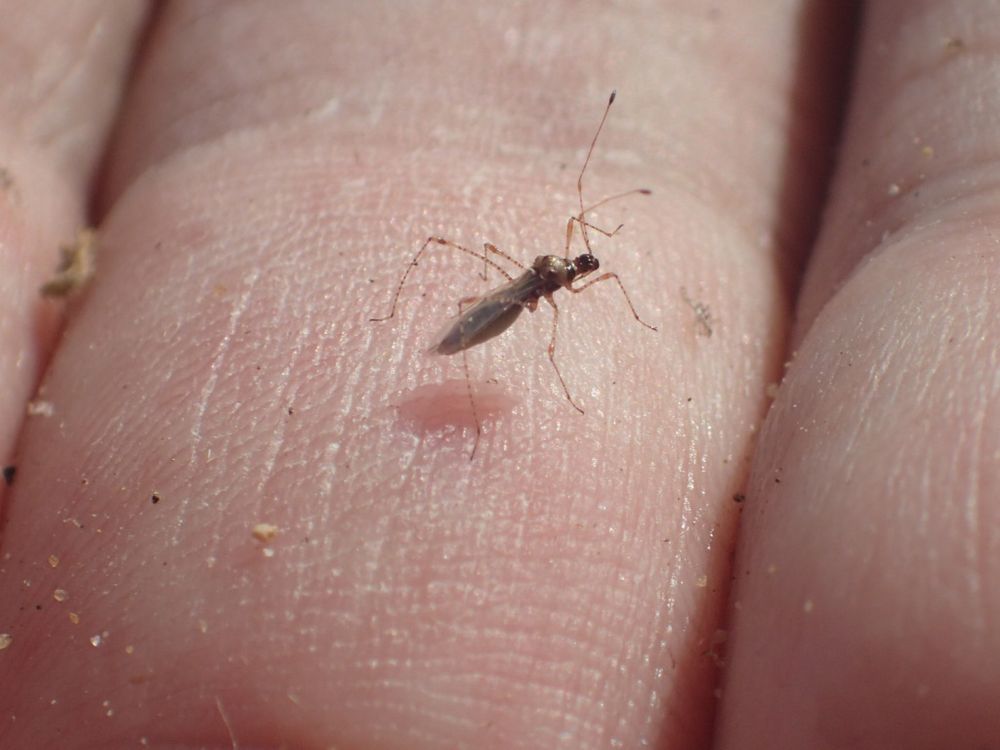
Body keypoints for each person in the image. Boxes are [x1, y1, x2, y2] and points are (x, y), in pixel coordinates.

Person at [0, 3, 995, 748]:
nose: (589, 260)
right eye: (586, 259)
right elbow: (563, 269)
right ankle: (420, 324)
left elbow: (582, 245)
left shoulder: (569, 269)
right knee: (470, 267)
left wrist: (605, 236)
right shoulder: (543, 286)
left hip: (515, 308)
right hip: (499, 315)